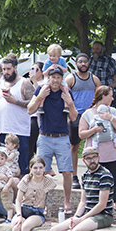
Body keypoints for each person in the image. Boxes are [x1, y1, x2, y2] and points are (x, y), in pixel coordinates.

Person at [28, 66, 78, 211]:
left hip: (62, 137)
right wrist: (40, 97)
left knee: (67, 172)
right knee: (41, 172)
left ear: (62, 79)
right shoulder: (41, 90)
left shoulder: (66, 92)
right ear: (48, 78)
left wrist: (70, 102)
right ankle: (42, 203)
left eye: (58, 77)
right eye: (53, 77)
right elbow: (30, 109)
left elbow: (74, 118)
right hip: (44, 137)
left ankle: (67, 202)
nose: (55, 80)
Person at [79, 86, 116, 219]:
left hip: (113, 152)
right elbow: (81, 134)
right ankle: (92, 207)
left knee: (114, 181)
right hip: (95, 154)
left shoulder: (113, 111)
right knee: (95, 181)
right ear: (103, 96)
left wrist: (111, 118)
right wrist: (94, 130)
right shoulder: (88, 114)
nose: (112, 98)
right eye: (110, 95)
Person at [6, 156, 57, 231]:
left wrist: (48, 218)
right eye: (35, 168)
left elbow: (49, 201)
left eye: (40, 168)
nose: (38, 170)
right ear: (30, 168)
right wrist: (18, 215)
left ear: (45, 168)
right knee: (16, 226)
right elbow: (18, 201)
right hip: (24, 209)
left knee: (26, 227)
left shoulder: (48, 181)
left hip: (37, 212)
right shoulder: (26, 180)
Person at [0, 54, 35, 175]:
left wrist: (15, 101)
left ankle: (20, 192)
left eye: (8, 69)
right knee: (2, 165)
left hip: (19, 131)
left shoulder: (25, 83)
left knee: (20, 167)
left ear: (15, 68)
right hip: (2, 129)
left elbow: (34, 104)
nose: (6, 72)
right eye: (4, 69)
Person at [66, 53, 100, 188]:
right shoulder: (70, 79)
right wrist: (70, 114)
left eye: (85, 61)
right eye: (80, 62)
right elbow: (65, 97)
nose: (83, 64)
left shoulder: (94, 79)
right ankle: (74, 176)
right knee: (74, 146)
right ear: (76, 64)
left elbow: (99, 96)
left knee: (94, 146)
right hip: (76, 115)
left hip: (91, 115)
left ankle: (94, 174)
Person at [28, 62, 45, 161]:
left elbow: (38, 96)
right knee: (30, 144)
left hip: (37, 116)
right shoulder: (26, 82)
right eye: (32, 69)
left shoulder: (44, 83)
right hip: (27, 115)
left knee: (35, 143)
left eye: (36, 69)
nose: (33, 71)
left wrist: (35, 82)